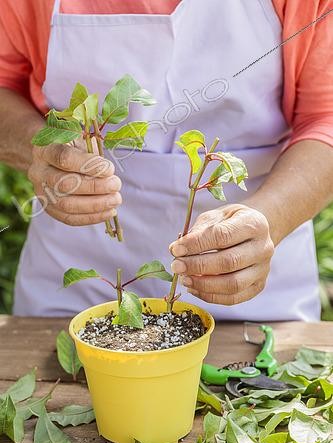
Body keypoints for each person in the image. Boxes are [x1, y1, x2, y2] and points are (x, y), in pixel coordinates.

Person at [0, 0, 332, 320]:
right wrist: (39, 149)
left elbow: (326, 116)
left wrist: (269, 219)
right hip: (73, 289)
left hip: (254, 290)